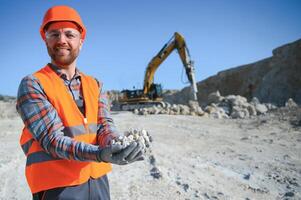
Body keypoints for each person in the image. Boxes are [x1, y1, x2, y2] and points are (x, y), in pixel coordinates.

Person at [16, 5, 144, 200]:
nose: (62, 41)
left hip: (98, 181)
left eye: (69, 34)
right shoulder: (33, 84)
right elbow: (53, 140)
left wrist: (116, 144)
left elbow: (104, 127)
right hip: (58, 188)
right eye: (54, 34)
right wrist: (101, 153)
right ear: (45, 40)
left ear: (81, 41)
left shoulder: (95, 84)